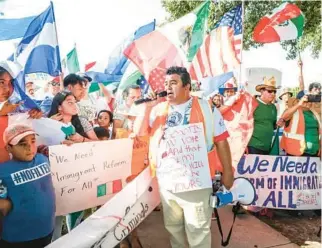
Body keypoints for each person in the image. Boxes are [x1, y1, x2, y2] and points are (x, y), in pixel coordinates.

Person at [133, 66, 234, 248]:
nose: (168, 87)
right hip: (167, 183)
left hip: (196, 182)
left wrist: (228, 172)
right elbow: (139, 134)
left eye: (173, 83)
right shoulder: (157, 111)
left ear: (187, 86)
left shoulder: (207, 108)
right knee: (173, 229)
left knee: (198, 230)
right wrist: (146, 108)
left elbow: (221, 141)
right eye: (166, 83)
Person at [0, 124, 55, 248]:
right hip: (18, 238)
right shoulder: (3, 171)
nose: (29, 147)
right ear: (8, 148)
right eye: (22, 144)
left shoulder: (43, 158)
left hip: (47, 230)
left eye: (33, 141)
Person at [0, 63, 42, 163]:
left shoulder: (17, 108)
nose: (7, 88)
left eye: (11, 83)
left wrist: (36, 114)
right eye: (1, 82)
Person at [247, 77, 282, 155]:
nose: (273, 94)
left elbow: (273, 126)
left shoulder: (273, 107)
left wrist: (279, 124)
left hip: (267, 147)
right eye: (269, 91)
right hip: (253, 146)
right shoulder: (252, 103)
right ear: (262, 91)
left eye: (274, 91)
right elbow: (243, 125)